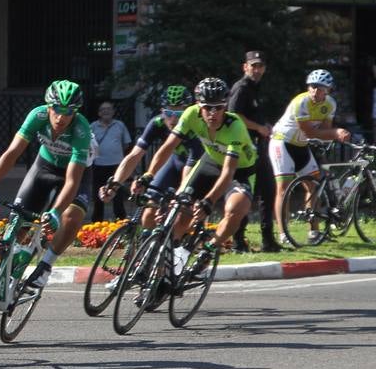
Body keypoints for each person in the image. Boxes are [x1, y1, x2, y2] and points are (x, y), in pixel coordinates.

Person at [0, 80, 92, 323]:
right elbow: (12, 153)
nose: (61, 117)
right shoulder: (36, 116)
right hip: (43, 168)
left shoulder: (81, 129)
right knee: (13, 233)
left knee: (71, 215)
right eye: (56, 109)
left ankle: (46, 266)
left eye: (68, 112)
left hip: (74, 173)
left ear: (75, 113)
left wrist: (56, 212)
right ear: (48, 107)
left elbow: (71, 181)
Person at [141, 77, 256, 261]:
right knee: (180, 213)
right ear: (198, 105)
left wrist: (208, 201)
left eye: (218, 107)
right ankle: (169, 262)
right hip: (210, 163)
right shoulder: (190, 114)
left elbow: (228, 172)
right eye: (207, 107)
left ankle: (209, 250)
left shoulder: (235, 126)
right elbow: (168, 147)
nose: (213, 113)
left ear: (225, 106)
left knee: (236, 208)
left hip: (240, 171)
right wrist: (149, 174)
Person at [269, 69, 352, 245]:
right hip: (282, 143)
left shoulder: (330, 104)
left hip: (301, 145)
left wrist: (332, 134)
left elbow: (323, 130)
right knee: (283, 189)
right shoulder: (301, 102)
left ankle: (314, 231)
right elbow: (311, 131)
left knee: (314, 186)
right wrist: (337, 132)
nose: (315, 91)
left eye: (320, 88)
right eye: (312, 87)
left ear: (328, 90)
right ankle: (283, 233)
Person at [100, 85, 199, 232]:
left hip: (194, 168)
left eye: (179, 114)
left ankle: (178, 249)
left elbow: (190, 169)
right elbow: (134, 155)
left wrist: (176, 199)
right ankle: (150, 251)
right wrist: (115, 185)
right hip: (174, 163)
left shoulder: (195, 128)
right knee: (148, 215)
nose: (173, 119)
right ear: (162, 111)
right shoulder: (157, 123)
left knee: (181, 218)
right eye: (168, 112)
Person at [228, 50, 278, 252]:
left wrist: (265, 126)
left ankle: (268, 240)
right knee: (245, 193)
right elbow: (234, 116)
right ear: (245, 67)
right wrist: (258, 128)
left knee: (268, 190)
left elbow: (255, 115)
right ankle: (238, 241)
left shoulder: (258, 88)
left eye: (260, 66)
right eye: (253, 65)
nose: (257, 70)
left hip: (259, 147)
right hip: (244, 150)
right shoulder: (241, 88)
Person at [88, 101, 133, 222]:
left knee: (118, 197)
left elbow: (126, 144)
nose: (106, 111)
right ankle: (96, 225)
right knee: (99, 198)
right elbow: (89, 146)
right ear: (99, 113)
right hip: (99, 166)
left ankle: (121, 224)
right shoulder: (92, 126)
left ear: (113, 112)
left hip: (116, 167)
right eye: (103, 109)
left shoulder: (120, 125)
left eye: (109, 109)